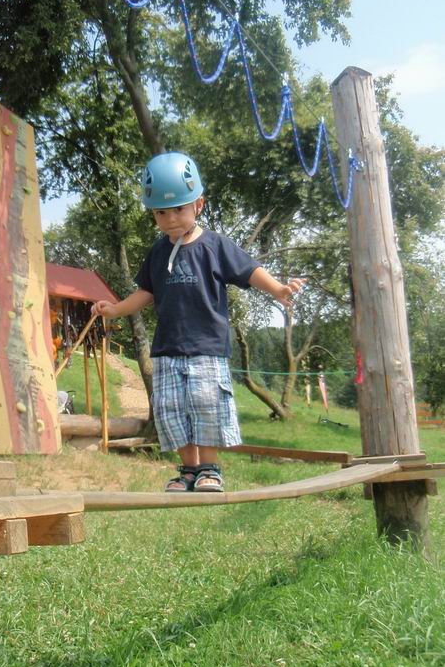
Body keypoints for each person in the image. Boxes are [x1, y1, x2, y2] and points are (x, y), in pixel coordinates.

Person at [92, 152, 304, 493]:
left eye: (179, 209)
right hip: (167, 349)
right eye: (161, 212)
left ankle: (209, 469)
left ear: (199, 205)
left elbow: (250, 270)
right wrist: (115, 309)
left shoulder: (215, 246)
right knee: (172, 410)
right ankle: (188, 471)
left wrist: (278, 289)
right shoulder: (158, 252)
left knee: (207, 407)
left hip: (206, 347)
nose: (170, 219)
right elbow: (145, 292)